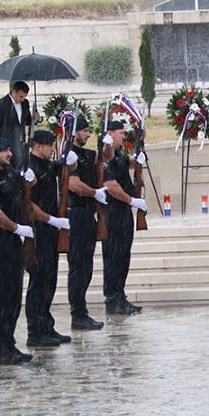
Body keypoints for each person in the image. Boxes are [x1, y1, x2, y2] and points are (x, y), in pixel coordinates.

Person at [0, 135, 36, 364]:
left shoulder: (9, 173)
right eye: (5, 151)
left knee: (14, 296)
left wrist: (30, 181)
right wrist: (17, 229)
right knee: (1, 297)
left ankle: (9, 343)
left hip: (14, 242)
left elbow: (23, 191)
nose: (10, 154)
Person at [24, 130, 75, 347]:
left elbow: (65, 168)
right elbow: (27, 205)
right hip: (38, 229)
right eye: (50, 145)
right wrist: (50, 219)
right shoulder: (29, 167)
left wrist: (71, 162)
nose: (53, 149)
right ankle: (35, 330)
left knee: (50, 280)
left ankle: (46, 324)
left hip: (52, 229)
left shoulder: (46, 164)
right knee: (39, 280)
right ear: (38, 145)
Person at [101, 120, 147, 315]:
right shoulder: (105, 156)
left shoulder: (118, 153)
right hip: (113, 211)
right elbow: (111, 186)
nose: (123, 135)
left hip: (124, 211)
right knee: (113, 256)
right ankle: (113, 299)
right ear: (110, 133)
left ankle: (120, 295)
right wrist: (131, 201)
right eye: (120, 132)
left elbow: (125, 164)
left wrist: (138, 157)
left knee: (123, 256)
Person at [67, 116, 107, 330]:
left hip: (88, 214)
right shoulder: (69, 156)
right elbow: (74, 185)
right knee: (79, 266)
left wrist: (106, 145)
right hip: (78, 214)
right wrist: (94, 193)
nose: (88, 134)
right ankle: (77, 313)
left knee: (86, 267)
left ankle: (82, 311)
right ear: (74, 133)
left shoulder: (88, 154)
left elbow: (103, 160)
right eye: (84, 131)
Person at [0, 80, 33, 169]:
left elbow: (27, 120)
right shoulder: (1, 104)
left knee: (21, 165)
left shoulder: (25, 103)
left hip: (21, 140)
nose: (22, 99)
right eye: (21, 96)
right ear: (14, 92)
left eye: (24, 97)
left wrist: (35, 119)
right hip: (7, 141)